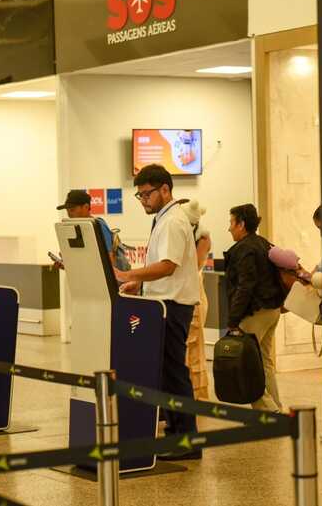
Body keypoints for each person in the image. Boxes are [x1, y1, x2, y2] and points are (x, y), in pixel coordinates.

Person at [115, 164, 201, 461]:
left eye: (147, 194)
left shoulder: (173, 222)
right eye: (139, 196)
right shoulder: (165, 220)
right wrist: (137, 283)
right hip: (162, 305)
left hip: (174, 307)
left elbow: (168, 266)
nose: (144, 201)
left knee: (174, 374)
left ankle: (186, 441)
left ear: (165, 189)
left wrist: (129, 275)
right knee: (166, 374)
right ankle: (174, 435)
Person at [224, 204, 286, 413]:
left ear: (241, 224)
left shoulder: (243, 249)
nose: (229, 228)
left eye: (231, 223)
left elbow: (245, 286)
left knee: (247, 363)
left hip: (254, 313)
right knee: (264, 361)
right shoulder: (263, 243)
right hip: (272, 310)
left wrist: (233, 319)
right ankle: (275, 405)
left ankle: (267, 410)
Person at [179, 199, 210, 400]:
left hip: (195, 294)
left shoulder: (203, 238)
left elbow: (196, 265)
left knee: (194, 346)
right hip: (184, 292)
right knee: (185, 347)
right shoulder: (183, 235)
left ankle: (197, 394)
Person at [56, 190, 115, 266]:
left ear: (86, 207)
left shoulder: (99, 225)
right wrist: (67, 265)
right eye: (67, 211)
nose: (69, 214)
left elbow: (110, 262)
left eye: (72, 210)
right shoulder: (72, 228)